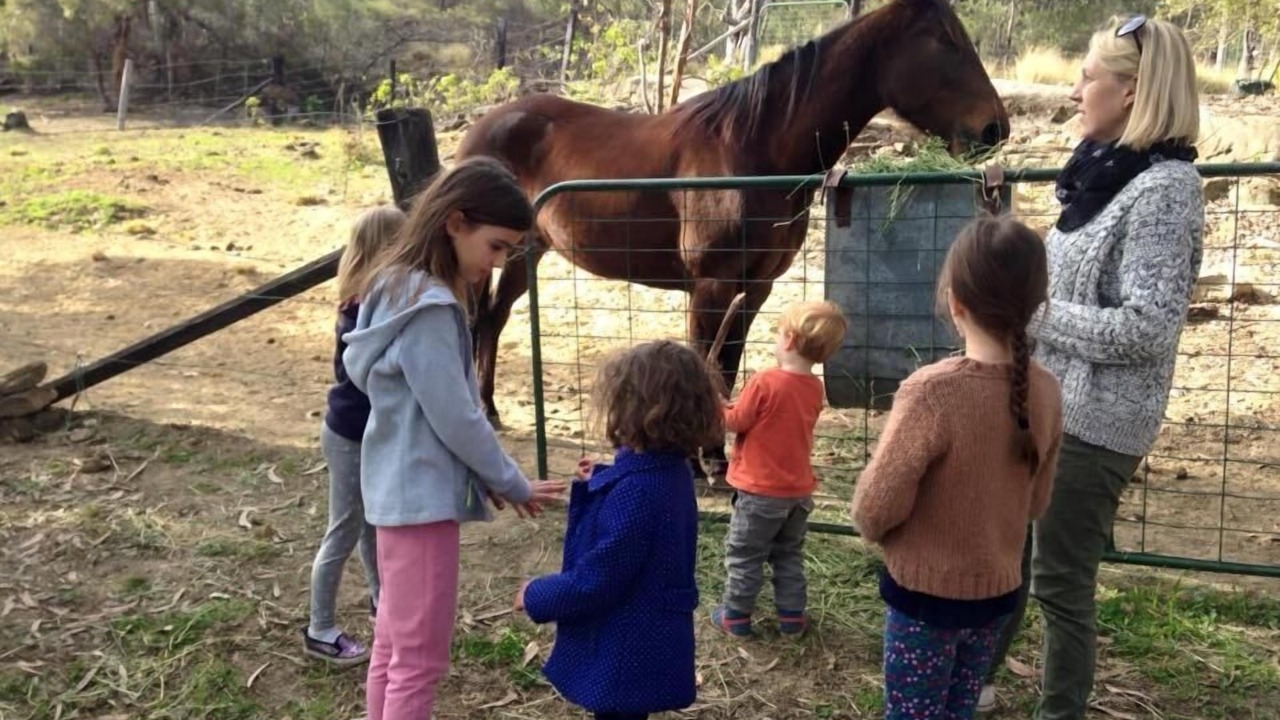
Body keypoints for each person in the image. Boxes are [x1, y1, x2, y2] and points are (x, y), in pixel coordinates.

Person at [978, 15, 1205, 718]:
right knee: (1011, 554)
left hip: (1100, 420)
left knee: (1059, 580)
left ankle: (1060, 708)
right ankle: (975, 683)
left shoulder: (1164, 190)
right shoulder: (1102, 177)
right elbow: (1069, 277)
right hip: (1052, 402)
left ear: (1132, 91)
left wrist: (1033, 319)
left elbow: (1147, 328)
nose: (1074, 90)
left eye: (1088, 78)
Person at [342, 157, 568, 720]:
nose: (497, 263)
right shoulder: (430, 308)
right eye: (495, 247)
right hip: (419, 503)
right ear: (455, 223)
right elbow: (457, 417)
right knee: (419, 661)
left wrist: (483, 476)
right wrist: (508, 479)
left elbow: (432, 412)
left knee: (393, 645)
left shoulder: (393, 286)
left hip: (397, 492)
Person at [851, 216, 1064, 720]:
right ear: (1035, 305)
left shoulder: (932, 391)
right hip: (997, 596)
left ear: (954, 301)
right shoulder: (1048, 390)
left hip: (925, 599)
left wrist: (874, 529)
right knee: (958, 708)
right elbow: (1037, 502)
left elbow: (875, 507)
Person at [515, 339, 724, 720]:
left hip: (626, 646)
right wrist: (606, 474)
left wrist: (536, 595)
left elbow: (597, 579)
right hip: (647, 638)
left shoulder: (638, 494)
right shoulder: (670, 472)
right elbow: (641, 494)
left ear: (634, 411)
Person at [301, 204, 403, 667]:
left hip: (367, 434)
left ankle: (383, 602)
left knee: (371, 524)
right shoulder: (362, 307)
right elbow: (358, 374)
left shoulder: (372, 301)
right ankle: (319, 629)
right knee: (343, 529)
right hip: (349, 435)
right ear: (385, 248)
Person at [709, 300, 848, 638]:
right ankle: (792, 619)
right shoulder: (814, 387)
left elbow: (737, 421)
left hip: (760, 492)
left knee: (745, 555)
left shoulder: (765, 380)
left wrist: (714, 405)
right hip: (798, 492)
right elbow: (777, 418)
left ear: (787, 340)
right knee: (788, 556)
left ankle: (736, 617)